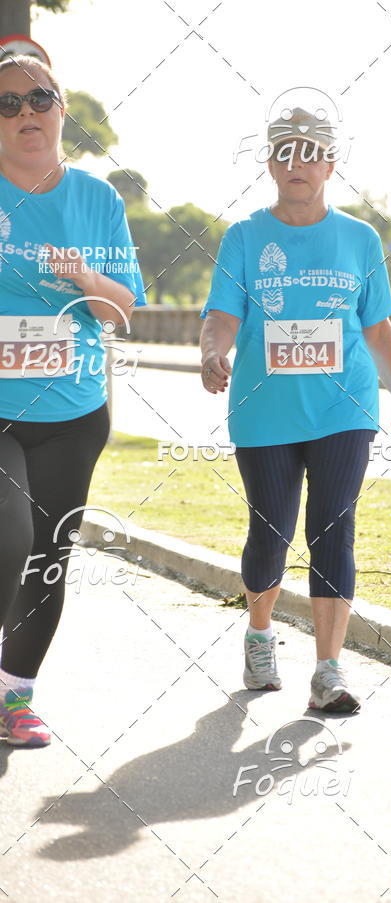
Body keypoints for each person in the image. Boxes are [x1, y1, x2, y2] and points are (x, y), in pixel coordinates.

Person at [200, 108, 391, 714]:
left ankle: (328, 671)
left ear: (330, 164)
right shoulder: (244, 237)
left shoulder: (360, 239)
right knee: (270, 531)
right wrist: (213, 353)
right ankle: (260, 634)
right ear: (270, 165)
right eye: (285, 152)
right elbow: (221, 315)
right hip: (265, 411)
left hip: (343, 408)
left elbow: (377, 329)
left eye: (310, 152)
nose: (297, 163)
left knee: (333, 529)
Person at [0, 56, 147, 748]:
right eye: (7, 104)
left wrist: (85, 275)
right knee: (11, 536)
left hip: (73, 413)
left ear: (61, 109)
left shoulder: (98, 199)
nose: (25, 112)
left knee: (48, 555)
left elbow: (121, 312)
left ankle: (14, 695)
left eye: (38, 98)